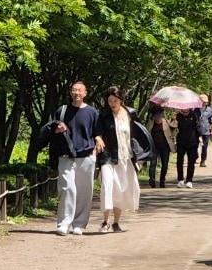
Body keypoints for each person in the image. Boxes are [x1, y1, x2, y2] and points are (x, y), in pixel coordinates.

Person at [41, 80, 104, 236]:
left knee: (84, 191)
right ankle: (64, 223)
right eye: (74, 90)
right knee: (67, 188)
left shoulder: (92, 112)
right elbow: (51, 130)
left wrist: (98, 139)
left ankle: (79, 224)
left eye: (80, 90)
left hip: (87, 156)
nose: (77, 93)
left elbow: (97, 131)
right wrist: (57, 130)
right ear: (70, 92)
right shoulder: (62, 111)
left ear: (85, 93)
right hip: (66, 156)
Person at [96, 87, 143, 232]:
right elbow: (97, 131)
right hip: (108, 156)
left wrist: (138, 158)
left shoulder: (130, 114)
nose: (112, 103)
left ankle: (116, 222)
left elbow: (137, 136)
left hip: (126, 157)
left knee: (122, 188)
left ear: (121, 100)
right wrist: (98, 138)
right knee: (107, 185)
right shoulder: (103, 115)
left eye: (115, 100)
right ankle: (105, 221)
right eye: (109, 101)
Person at [149, 107, 175, 188]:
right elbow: (146, 132)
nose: (158, 116)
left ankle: (162, 181)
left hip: (165, 147)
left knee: (165, 165)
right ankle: (152, 180)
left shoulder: (166, 122)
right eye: (156, 115)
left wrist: (174, 120)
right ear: (153, 116)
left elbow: (174, 129)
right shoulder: (150, 123)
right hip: (154, 147)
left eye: (160, 114)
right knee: (153, 164)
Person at [175, 106, 200, 188]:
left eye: (186, 107)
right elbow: (173, 128)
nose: (185, 109)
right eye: (183, 107)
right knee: (179, 161)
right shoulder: (177, 116)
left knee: (191, 162)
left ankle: (189, 180)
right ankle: (180, 179)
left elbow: (198, 128)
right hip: (181, 142)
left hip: (192, 142)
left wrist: (199, 138)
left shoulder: (194, 116)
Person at [196, 94, 212, 166]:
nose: (204, 103)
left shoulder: (209, 110)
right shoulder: (194, 109)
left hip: (206, 131)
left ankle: (203, 161)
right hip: (196, 131)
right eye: (203, 101)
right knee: (194, 146)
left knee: (204, 147)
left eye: (205, 101)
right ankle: (195, 157)